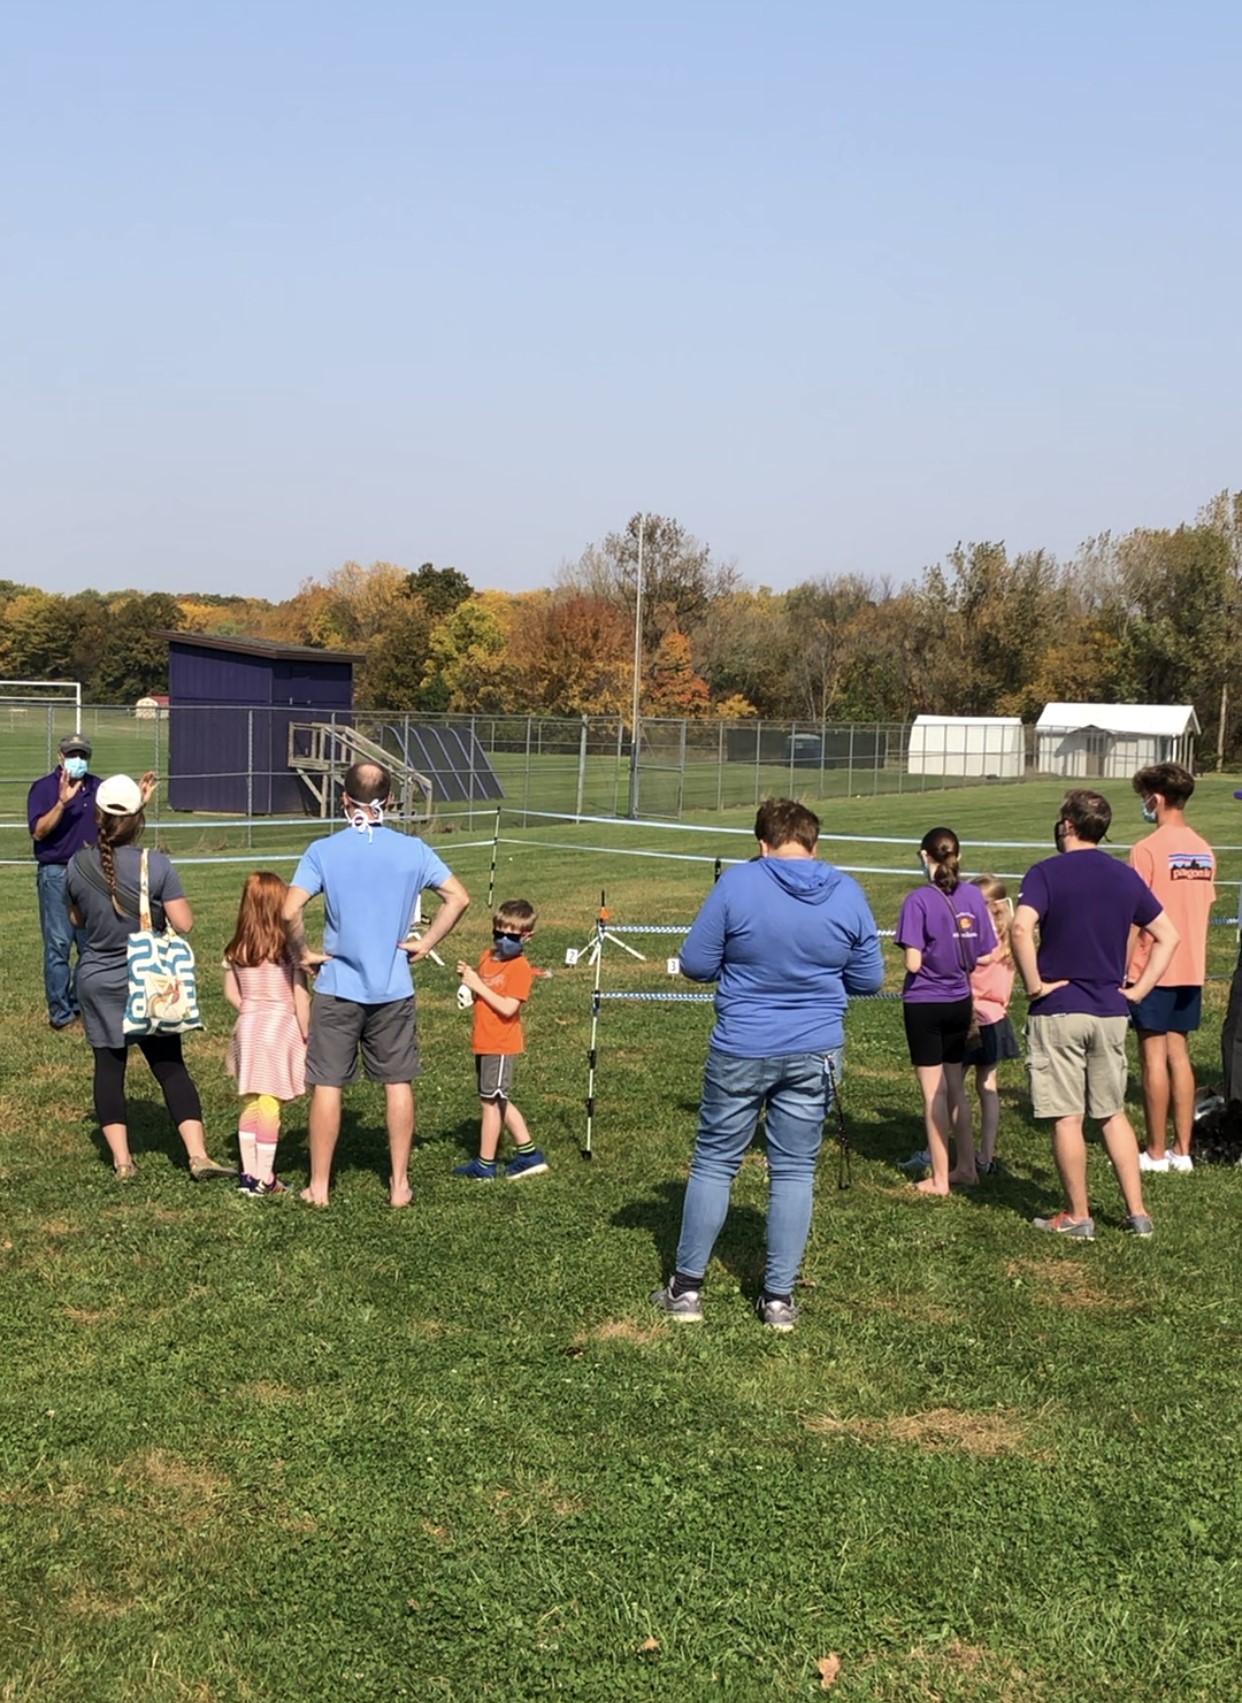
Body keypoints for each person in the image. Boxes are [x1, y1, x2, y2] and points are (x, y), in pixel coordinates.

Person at [651, 797, 883, 1331]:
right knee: (795, 1171)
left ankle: (686, 1291)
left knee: (714, 1162)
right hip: (816, 1050)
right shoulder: (846, 891)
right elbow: (869, 979)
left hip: (742, 1045)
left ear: (762, 844)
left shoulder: (737, 884)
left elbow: (696, 964)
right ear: (813, 842)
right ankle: (778, 1299)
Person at [283, 760, 470, 1207]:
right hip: (394, 988)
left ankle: (320, 1186)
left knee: (328, 1084)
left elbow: (289, 911)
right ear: (389, 802)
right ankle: (400, 1184)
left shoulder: (323, 850)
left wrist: (303, 953)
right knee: (397, 1081)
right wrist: (425, 941)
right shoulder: (414, 850)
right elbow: (458, 898)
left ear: (343, 799)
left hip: (337, 987)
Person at [1011, 788, 1179, 1240]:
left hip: (1060, 1008)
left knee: (1067, 1115)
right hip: (1110, 1009)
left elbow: (1021, 926)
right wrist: (1139, 988)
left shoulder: (1046, 873)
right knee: (1111, 1112)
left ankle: (1078, 1214)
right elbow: (1168, 935)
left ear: (1068, 824)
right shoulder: (1124, 877)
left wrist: (1033, 984)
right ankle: (1138, 1212)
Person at [64, 774, 234, 1181]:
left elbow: (77, 919)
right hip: (149, 981)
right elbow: (185, 923)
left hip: (98, 980)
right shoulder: (155, 864)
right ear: (139, 820)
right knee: (170, 1066)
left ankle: (123, 1162)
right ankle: (197, 1156)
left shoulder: (77, 864)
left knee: (109, 1069)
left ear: (97, 816)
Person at [27, 733, 156, 1031]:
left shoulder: (98, 788)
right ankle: (61, 1014)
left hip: (92, 872)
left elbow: (117, 822)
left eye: (83, 755)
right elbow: (38, 832)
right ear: (60, 756)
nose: (78, 760)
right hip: (56, 873)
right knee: (58, 944)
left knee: (92, 944)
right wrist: (61, 804)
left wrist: (139, 803)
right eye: (72, 754)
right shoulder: (43, 788)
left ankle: (84, 1004)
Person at [895, 827, 998, 1195]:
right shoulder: (973, 895)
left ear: (925, 857)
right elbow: (986, 953)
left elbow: (912, 963)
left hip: (925, 1004)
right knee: (956, 1087)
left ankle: (940, 1177)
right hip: (960, 1001)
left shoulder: (918, 901)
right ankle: (967, 1166)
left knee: (933, 1094)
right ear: (959, 856)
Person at [1126, 764, 1216, 1173]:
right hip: (1191, 965)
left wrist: (1123, 967)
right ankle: (1184, 1150)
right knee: (1180, 1055)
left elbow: (1133, 916)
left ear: (1156, 798)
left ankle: (1156, 1151)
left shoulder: (1146, 850)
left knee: (1153, 1057)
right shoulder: (1204, 849)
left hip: (1152, 966)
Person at [223, 872, 311, 1197]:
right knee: (271, 1102)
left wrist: (250, 1009)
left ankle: (247, 1174)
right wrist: (307, 1034)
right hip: (279, 1028)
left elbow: (231, 992)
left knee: (251, 1100)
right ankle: (265, 1178)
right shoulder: (286, 950)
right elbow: (301, 997)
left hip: (248, 1027)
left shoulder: (237, 948)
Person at [453, 898, 548, 1181]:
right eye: (498, 933)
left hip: (502, 1043)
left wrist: (478, 985)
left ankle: (485, 1164)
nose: (503, 940)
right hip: (484, 1039)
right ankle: (529, 1155)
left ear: (527, 936)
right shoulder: (488, 957)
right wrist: (470, 986)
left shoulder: (519, 968)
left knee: (490, 1102)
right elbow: (484, 991)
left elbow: (508, 1007)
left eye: (512, 936)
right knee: (498, 1098)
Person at [963, 876, 1020, 1175]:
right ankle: (986, 1154)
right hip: (998, 1019)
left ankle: (958, 1151)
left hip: (971, 1020)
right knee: (988, 1087)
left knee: (952, 1087)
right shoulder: (1010, 940)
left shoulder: (980, 945)